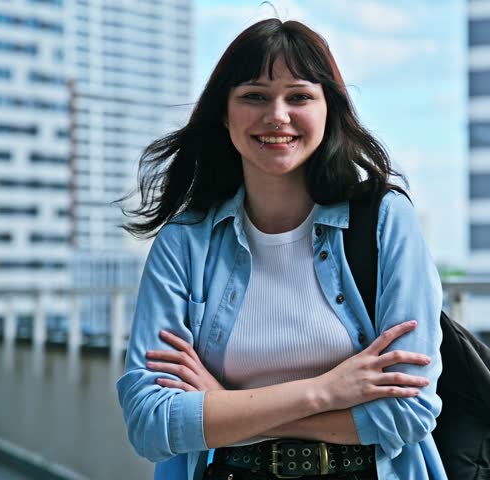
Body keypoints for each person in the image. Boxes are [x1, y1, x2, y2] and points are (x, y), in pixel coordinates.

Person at [116, 18, 445, 480]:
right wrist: (327, 391)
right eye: (254, 95)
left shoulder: (385, 220)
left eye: (299, 96)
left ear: (328, 107)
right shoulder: (184, 242)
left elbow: (407, 413)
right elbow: (151, 424)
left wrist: (223, 410)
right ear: (224, 113)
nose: (278, 115)